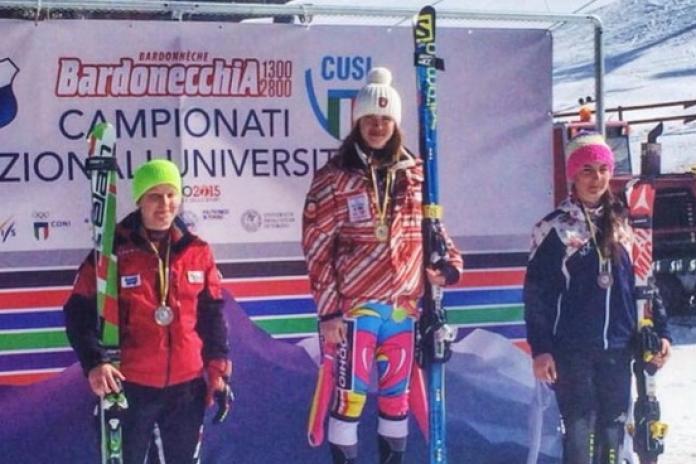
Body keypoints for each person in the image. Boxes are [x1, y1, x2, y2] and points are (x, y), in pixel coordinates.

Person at [302, 67, 463, 464]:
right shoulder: (335, 178)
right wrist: (329, 312)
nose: (377, 127)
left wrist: (450, 265)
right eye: (370, 119)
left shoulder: (417, 173)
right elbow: (317, 247)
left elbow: (435, 230)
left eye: (385, 119)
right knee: (350, 399)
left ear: (396, 124)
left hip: (403, 309)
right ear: (357, 123)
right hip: (356, 310)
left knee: (396, 400)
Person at [64, 159, 231, 464]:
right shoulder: (113, 250)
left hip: (186, 387)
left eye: (171, 194)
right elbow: (77, 312)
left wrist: (217, 368)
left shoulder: (197, 251)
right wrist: (95, 362)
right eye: (154, 196)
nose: (165, 204)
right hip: (131, 385)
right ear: (140, 200)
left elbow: (212, 315)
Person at [523, 132, 672, 464]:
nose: (596, 179)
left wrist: (662, 331)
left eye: (603, 169)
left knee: (612, 435)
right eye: (587, 170)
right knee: (580, 437)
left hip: (618, 348)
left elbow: (645, 279)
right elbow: (537, 296)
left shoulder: (627, 223)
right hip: (572, 351)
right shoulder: (554, 228)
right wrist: (541, 349)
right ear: (573, 175)